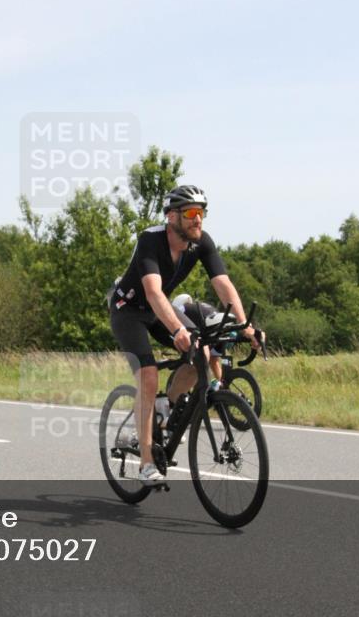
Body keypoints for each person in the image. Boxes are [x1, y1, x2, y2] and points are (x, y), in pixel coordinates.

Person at [108, 185, 261, 485]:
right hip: (128, 310)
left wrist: (244, 325)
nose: (198, 219)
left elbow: (223, 284)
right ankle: (146, 464)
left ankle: (165, 407)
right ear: (171, 216)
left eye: (201, 212)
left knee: (201, 353)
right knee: (148, 375)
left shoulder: (201, 242)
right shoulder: (150, 240)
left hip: (157, 310)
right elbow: (153, 292)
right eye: (191, 212)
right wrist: (178, 330)